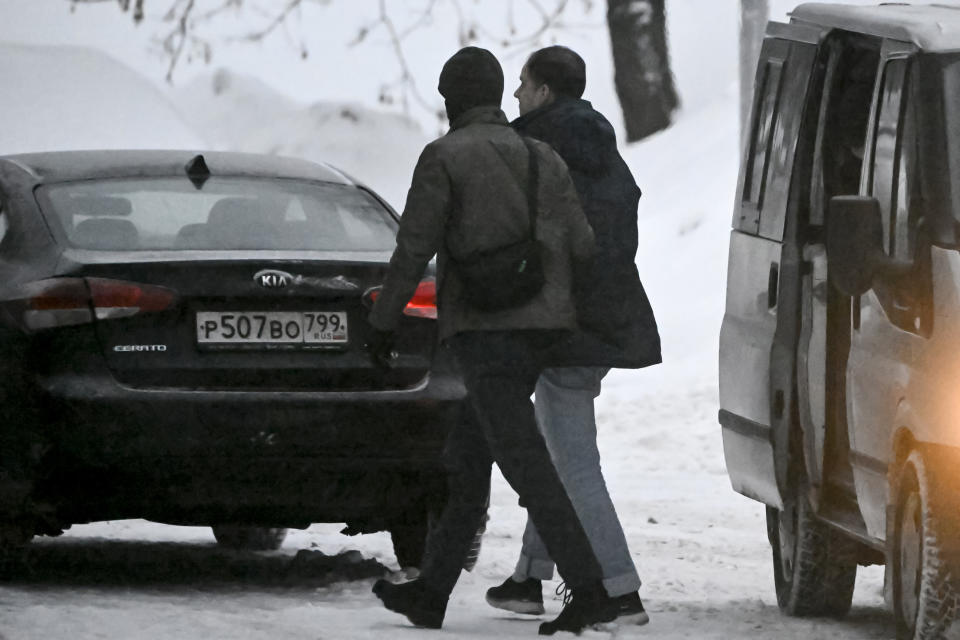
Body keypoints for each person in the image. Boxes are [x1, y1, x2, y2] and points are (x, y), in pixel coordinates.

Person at [367, 46, 625, 635]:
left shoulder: (444, 157)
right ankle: (431, 593)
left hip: (486, 334)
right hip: (540, 333)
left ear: (450, 97)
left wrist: (383, 324)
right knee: (466, 462)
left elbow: (413, 249)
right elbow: (583, 246)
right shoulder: (541, 156)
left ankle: (590, 591)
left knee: (528, 467)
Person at [483, 45, 661, 626]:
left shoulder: (536, 151)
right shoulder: (605, 152)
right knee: (555, 448)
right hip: (602, 321)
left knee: (574, 461)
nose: (515, 95)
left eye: (522, 84)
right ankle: (528, 577)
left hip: (560, 327)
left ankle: (618, 589)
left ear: (544, 92)